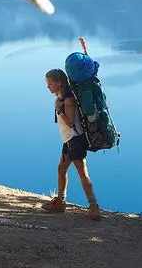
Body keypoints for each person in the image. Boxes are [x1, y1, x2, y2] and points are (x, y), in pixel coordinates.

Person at [42, 68, 100, 220]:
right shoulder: (61, 98)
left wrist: (59, 110)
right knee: (61, 169)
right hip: (69, 141)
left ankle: (94, 207)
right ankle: (60, 202)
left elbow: (69, 123)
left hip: (75, 140)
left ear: (59, 83)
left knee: (82, 173)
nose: (48, 87)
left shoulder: (67, 100)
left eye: (50, 83)